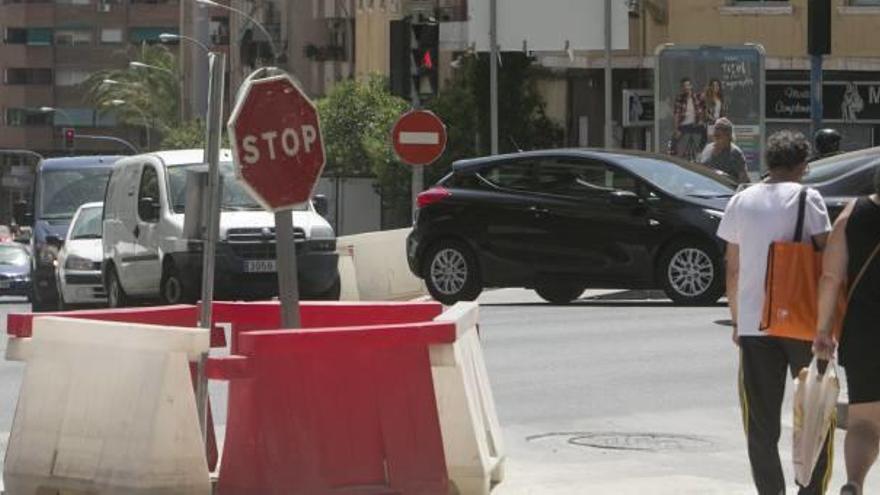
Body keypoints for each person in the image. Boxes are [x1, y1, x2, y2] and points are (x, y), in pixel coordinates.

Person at [717, 130, 833, 495]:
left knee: (760, 423)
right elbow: (827, 261)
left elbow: (732, 266)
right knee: (816, 414)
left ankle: (771, 492)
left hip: (754, 324)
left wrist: (737, 320)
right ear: (802, 166)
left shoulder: (741, 200)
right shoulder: (807, 198)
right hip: (803, 322)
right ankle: (811, 491)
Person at [813, 167, 880, 495]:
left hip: (863, 332)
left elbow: (831, 277)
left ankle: (854, 483)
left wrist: (823, 329)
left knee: (864, 422)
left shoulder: (855, 213)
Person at [699, 117, 750, 184]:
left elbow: (744, 180)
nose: (716, 132)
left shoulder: (735, 153)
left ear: (728, 134)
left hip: (726, 192)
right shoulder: (707, 148)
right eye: (716, 128)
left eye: (721, 129)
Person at [672, 77, 706, 161]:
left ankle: (699, 152)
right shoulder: (679, 98)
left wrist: (701, 120)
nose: (686, 88)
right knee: (673, 141)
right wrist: (676, 129)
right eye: (684, 86)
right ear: (681, 88)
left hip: (695, 124)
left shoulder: (696, 97)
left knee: (705, 131)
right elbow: (676, 114)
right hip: (684, 125)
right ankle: (673, 157)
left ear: (691, 86)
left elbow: (704, 107)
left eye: (687, 85)